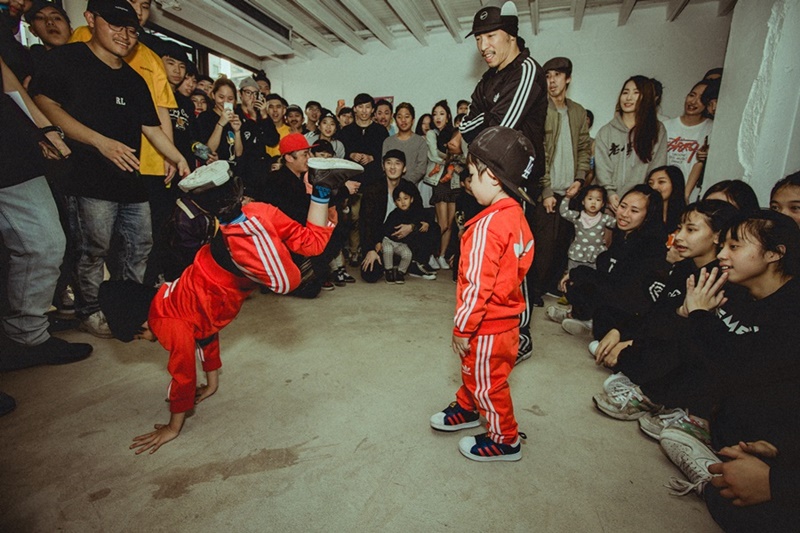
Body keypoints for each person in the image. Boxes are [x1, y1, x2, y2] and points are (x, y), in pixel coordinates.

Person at [100, 159, 353, 454]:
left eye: (140, 336)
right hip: (245, 225)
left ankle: (229, 213)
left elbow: (183, 376)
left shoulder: (165, 321)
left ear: (137, 324)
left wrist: (172, 427)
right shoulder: (172, 299)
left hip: (237, 249)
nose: (147, 339)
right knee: (312, 245)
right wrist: (212, 385)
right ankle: (323, 189)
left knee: (288, 282)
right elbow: (206, 336)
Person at [30, 0, 190, 338]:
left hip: (130, 178)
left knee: (139, 246)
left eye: (131, 30)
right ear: (91, 19)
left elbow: (151, 128)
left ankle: (129, 309)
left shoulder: (134, 79)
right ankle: (90, 310)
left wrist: (177, 157)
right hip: (86, 178)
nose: (125, 36)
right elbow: (43, 102)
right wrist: (99, 142)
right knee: (93, 249)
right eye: (116, 25)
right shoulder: (67, 59)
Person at [657, 210, 800, 532]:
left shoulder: (792, 308)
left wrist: (700, 316)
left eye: (734, 247)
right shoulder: (743, 292)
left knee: (734, 507)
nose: (721, 255)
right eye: (723, 246)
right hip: (758, 434)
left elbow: (739, 368)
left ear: (775, 254)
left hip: (776, 430)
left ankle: (716, 469)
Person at [429, 126, 535, 462]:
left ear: (491, 176)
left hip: (487, 324)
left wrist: (462, 328)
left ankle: (505, 439)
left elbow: (476, 286)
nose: (468, 182)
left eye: (472, 175)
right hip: (507, 323)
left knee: (489, 383)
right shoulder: (516, 216)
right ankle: (468, 406)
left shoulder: (486, 227)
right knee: (478, 371)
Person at [452, 0, 548, 364]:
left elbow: (501, 127)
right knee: (488, 259)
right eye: (478, 38)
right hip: (487, 178)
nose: (483, 45)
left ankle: (521, 334)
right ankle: (491, 325)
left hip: (514, 182)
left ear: (511, 36)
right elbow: (469, 121)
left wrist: (478, 122)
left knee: (513, 260)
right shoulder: (488, 79)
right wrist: (478, 121)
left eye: (490, 36)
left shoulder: (527, 70)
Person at [591, 200, 739, 425]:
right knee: (612, 322)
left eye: (691, 230)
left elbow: (693, 339)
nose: (679, 237)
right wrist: (621, 333)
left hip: (687, 358)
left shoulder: (719, 280)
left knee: (660, 349)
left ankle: (655, 396)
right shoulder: (685, 266)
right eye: (680, 228)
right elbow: (656, 314)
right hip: (662, 342)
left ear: (717, 236)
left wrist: (633, 344)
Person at [0, 55, 93, 377]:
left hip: (11, 149)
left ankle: (29, 335)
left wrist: (45, 128)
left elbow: (9, 84)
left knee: (47, 243)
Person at [548, 184, 667, 336]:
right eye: (623, 206)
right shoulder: (623, 234)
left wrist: (580, 273)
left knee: (586, 280)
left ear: (648, 215)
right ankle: (583, 318)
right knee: (578, 282)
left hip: (631, 308)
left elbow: (621, 287)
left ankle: (592, 322)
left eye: (634, 211)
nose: (624, 214)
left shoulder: (650, 245)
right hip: (615, 294)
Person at [531, 56, 591, 305]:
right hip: (547, 191)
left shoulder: (577, 111)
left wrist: (580, 179)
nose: (552, 80)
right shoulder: (539, 109)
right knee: (542, 245)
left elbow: (584, 148)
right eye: (547, 76)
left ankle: (550, 285)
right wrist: (545, 189)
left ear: (568, 79)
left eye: (557, 75)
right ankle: (533, 290)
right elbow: (538, 152)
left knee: (563, 243)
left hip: (571, 191)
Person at [359, 149, 435, 282]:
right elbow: (365, 222)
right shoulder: (373, 188)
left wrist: (412, 226)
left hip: (403, 235)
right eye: (388, 163)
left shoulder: (409, 187)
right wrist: (370, 249)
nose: (393, 167)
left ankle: (415, 261)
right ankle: (388, 261)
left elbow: (420, 213)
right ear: (383, 166)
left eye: (397, 163)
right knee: (370, 274)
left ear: (404, 168)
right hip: (380, 238)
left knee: (431, 227)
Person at [595, 76, 667, 212]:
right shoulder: (606, 131)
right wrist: (610, 192)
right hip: (610, 203)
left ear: (646, 97)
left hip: (641, 205)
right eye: (625, 92)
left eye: (636, 93)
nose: (628, 98)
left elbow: (657, 167)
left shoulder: (657, 130)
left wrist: (645, 197)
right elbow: (602, 168)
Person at [664, 80, 714, 202]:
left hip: (692, 195)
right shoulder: (665, 126)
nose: (693, 101)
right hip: (663, 191)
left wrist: (685, 195)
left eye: (701, 98)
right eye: (692, 95)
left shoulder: (712, 128)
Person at [424, 100, 459, 269]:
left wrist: (454, 158)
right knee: (442, 224)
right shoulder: (432, 134)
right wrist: (451, 158)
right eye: (435, 114)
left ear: (448, 116)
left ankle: (442, 256)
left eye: (442, 114)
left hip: (454, 180)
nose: (438, 117)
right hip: (439, 180)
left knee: (450, 224)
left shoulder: (455, 133)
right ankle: (431, 253)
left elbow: (462, 155)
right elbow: (433, 155)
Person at [557, 185, 616, 271]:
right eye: (590, 199)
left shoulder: (605, 218)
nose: (593, 202)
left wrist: (618, 211)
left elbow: (618, 224)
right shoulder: (577, 216)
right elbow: (564, 212)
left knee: (593, 276)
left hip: (596, 256)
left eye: (598, 200)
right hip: (577, 254)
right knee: (573, 274)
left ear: (603, 204)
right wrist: (567, 197)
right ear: (583, 201)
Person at [381, 180, 425, 284]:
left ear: (411, 199)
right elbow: (385, 228)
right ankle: (388, 271)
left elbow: (419, 223)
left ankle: (400, 272)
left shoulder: (414, 213)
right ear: (395, 202)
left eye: (406, 199)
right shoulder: (394, 214)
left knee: (407, 254)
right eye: (399, 200)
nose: (403, 202)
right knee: (388, 250)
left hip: (401, 243)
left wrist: (419, 225)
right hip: (389, 240)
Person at [196, 77, 243, 165]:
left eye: (230, 99)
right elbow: (207, 151)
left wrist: (237, 131)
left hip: (233, 169)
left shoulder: (236, 118)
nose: (225, 102)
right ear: (213, 95)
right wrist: (220, 124)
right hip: (213, 170)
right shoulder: (205, 117)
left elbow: (239, 153)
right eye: (221, 97)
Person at [382, 102, 427, 186]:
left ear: (413, 120)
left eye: (407, 116)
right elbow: (384, 165)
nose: (403, 120)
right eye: (399, 117)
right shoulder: (388, 142)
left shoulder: (420, 142)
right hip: (390, 187)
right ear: (395, 120)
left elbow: (421, 169)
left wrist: (404, 184)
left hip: (411, 188)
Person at [646, 165, 686, 233]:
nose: (654, 187)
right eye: (650, 183)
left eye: (661, 182)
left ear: (675, 184)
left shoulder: (685, 218)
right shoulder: (643, 215)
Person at [264, 93, 290, 160]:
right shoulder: (260, 130)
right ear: (265, 110)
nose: (275, 110)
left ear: (284, 110)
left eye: (278, 107)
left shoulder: (291, 132)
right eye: (271, 107)